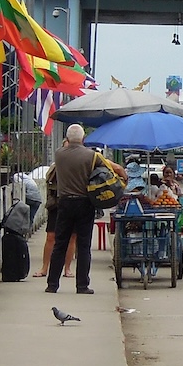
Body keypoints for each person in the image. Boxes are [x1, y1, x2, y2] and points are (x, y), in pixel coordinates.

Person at [45, 124, 126, 294]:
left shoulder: (59, 154)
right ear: (83, 139)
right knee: (83, 246)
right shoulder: (92, 155)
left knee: (60, 244)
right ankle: (82, 285)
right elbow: (115, 169)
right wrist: (124, 179)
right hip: (84, 203)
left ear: (67, 139)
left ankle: (52, 284)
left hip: (64, 203)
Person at [33, 159, 63, 279]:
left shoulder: (81, 164)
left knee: (72, 237)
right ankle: (45, 268)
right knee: (51, 236)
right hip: (56, 204)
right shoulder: (55, 168)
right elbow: (48, 182)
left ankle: (67, 268)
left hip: (72, 202)